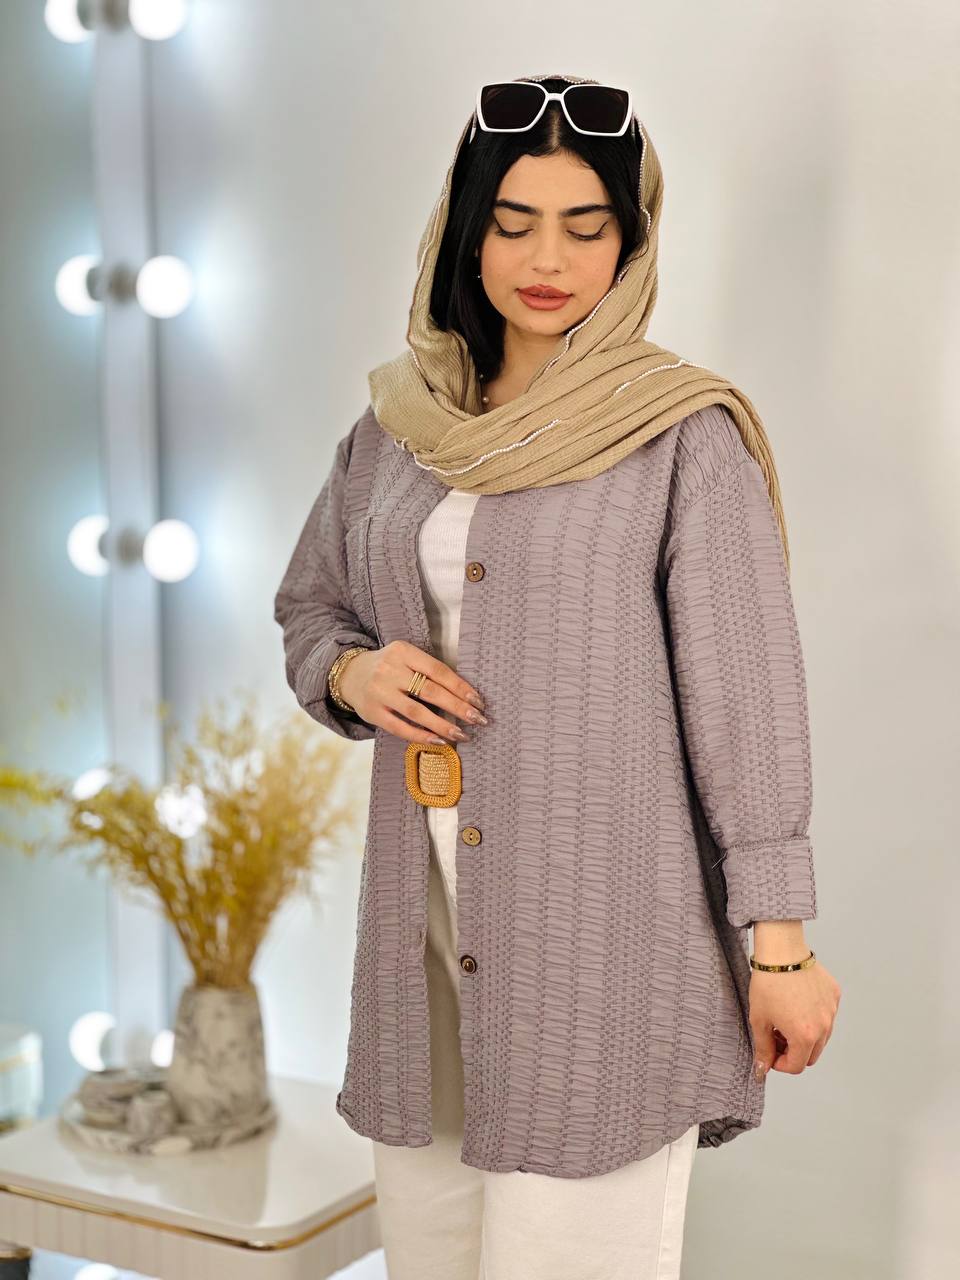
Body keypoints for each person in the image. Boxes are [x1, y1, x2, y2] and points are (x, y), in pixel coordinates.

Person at [274, 72, 841, 1280]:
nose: (548, 259)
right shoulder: (396, 427)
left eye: (586, 227)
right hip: (420, 954)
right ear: (464, 232)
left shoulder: (681, 435)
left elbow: (748, 704)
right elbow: (309, 606)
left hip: (600, 952)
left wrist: (781, 946)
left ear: (630, 242)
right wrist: (353, 672)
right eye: (514, 222)